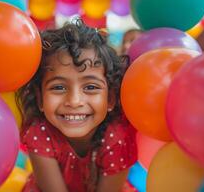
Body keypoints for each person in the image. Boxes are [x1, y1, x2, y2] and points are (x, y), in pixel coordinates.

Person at [16, 19, 137, 192]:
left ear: (110, 99)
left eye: (90, 87)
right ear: (40, 98)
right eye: (58, 87)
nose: (74, 101)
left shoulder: (117, 139)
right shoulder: (39, 132)